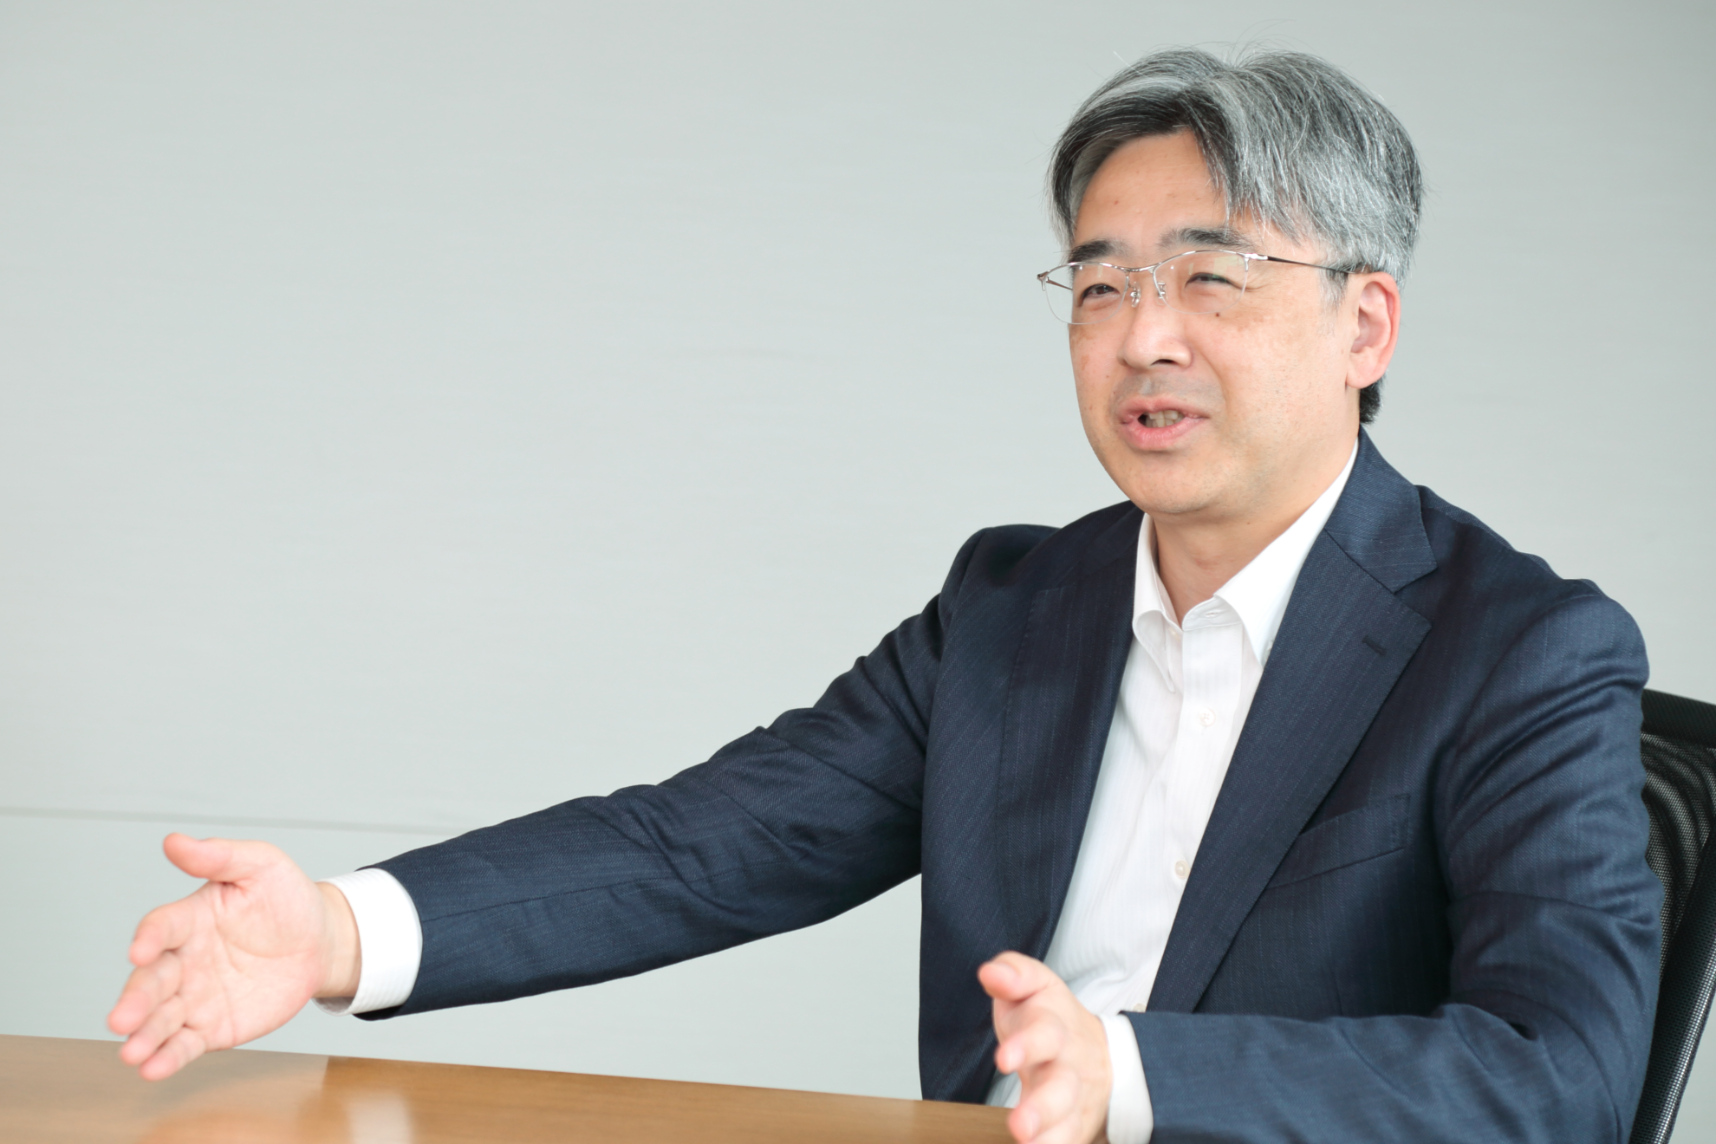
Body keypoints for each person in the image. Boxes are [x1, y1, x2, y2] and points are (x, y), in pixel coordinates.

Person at [107, 48, 1661, 1144]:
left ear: (1364, 326)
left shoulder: (1521, 651)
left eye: (1210, 278)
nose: (1144, 336)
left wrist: (1130, 1077)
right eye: (1101, 284)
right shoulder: (1015, 607)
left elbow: (1561, 1076)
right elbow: (707, 842)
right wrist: (336, 931)